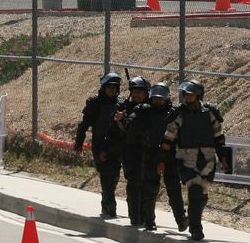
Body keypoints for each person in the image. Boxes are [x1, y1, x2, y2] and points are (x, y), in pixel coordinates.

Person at [160, 80, 227, 241]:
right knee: (195, 190)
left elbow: (219, 137)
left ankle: (193, 218)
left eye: (191, 95)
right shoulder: (179, 114)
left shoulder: (209, 113)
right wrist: (161, 160)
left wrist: (224, 159)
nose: (187, 98)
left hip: (208, 159)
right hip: (186, 159)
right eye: (186, 95)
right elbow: (168, 139)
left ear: (199, 96)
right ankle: (196, 229)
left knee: (201, 195)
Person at [125, 82, 185, 232]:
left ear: (167, 99)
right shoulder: (144, 111)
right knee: (150, 189)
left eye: (161, 99)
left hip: (170, 155)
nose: (158, 101)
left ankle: (181, 220)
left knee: (174, 188)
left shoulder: (174, 112)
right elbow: (131, 120)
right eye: (156, 98)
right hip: (151, 153)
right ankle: (149, 221)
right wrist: (127, 120)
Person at [103, 75, 151, 226]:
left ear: (146, 93)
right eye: (134, 92)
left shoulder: (152, 109)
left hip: (149, 151)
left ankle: (146, 216)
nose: (137, 95)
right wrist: (106, 148)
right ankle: (134, 216)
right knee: (133, 183)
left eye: (140, 92)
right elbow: (112, 131)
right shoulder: (123, 108)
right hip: (130, 151)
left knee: (148, 185)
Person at [74, 72, 122, 219]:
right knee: (106, 174)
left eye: (115, 87)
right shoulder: (95, 103)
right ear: (103, 87)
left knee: (114, 176)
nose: (112, 90)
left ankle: (106, 201)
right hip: (100, 144)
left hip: (116, 145)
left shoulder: (120, 103)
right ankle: (110, 206)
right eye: (109, 87)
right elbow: (83, 125)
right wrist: (79, 143)